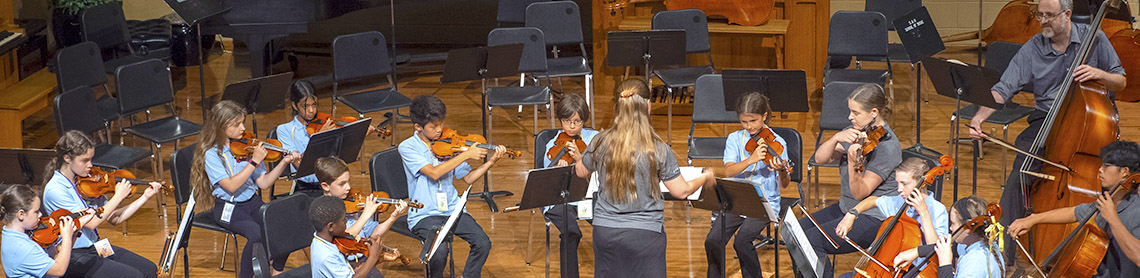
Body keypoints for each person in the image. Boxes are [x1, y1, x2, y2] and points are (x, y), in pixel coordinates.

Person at [965, 0, 1126, 263]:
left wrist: (1098, 73)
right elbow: (1004, 87)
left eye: (1050, 15)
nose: (1043, 21)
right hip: (1046, 119)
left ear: (1067, 15)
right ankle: (1002, 256)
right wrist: (979, 117)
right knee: (1021, 173)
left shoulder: (1094, 38)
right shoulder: (1033, 47)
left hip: (1093, 122)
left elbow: (1121, 79)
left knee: (1109, 178)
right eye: (1039, 15)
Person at [574, 79, 716, 277]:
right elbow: (681, 191)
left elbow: (581, 172)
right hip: (645, 236)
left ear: (618, 107)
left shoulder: (600, 141)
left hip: (605, 231)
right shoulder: (658, 148)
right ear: (648, 106)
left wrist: (580, 157)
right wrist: (705, 177)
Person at [793, 83, 902, 278]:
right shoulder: (857, 131)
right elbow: (820, 159)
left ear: (874, 113)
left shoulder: (887, 147)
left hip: (874, 217)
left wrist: (853, 163)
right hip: (846, 207)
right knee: (797, 233)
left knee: (812, 240)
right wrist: (836, 138)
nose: (850, 117)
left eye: (855, 112)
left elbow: (860, 193)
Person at [399, 95, 506, 277]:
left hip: (452, 210)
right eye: (433, 126)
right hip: (425, 214)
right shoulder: (407, 147)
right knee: (439, 253)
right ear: (418, 126)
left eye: (441, 123)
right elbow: (434, 173)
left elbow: (469, 178)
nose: (440, 130)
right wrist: (465, 155)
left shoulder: (449, 144)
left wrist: (490, 162)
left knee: (482, 243)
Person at [191, 100, 300, 278]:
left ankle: (276, 271)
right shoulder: (212, 154)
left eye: (243, 122)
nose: (242, 128)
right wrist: (254, 161)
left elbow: (263, 183)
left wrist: (283, 162)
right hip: (229, 208)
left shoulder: (247, 147)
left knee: (285, 224)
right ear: (221, 127)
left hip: (253, 202)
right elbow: (231, 186)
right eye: (236, 124)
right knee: (256, 234)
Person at [1007, 141, 1140, 277]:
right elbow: (1074, 212)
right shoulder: (1108, 200)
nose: (1100, 169)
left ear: (1124, 172)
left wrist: (1113, 219)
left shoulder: (1136, 212)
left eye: (1106, 166)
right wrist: (1033, 219)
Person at [41, 130, 162, 278]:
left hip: (96, 246)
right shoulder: (55, 190)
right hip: (75, 254)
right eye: (84, 160)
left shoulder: (87, 182)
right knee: (134, 276)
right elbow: (91, 223)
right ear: (67, 158)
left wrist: (144, 197)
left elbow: (114, 218)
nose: (90, 165)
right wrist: (118, 197)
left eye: (91, 159)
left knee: (149, 269)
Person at [705, 92, 789, 278]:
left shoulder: (778, 143)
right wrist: (752, 159)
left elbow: (785, 185)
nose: (749, 127)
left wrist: (782, 170)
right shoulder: (735, 139)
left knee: (741, 241)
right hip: (737, 201)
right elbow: (729, 171)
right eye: (744, 122)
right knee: (713, 240)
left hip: (764, 204)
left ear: (764, 116)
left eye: (753, 121)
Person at [835, 157, 949, 277]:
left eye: (904, 184)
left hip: (916, 272)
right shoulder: (900, 201)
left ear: (921, 183)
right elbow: (873, 201)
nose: (899, 189)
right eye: (898, 183)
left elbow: (937, 250)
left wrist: (924, 213)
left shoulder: (937, 210)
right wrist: (851, 214)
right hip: (890, 268)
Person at [541, 93, 597, 278]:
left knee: (609, 227)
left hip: (587, 197)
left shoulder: (593, 139)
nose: (572, 127)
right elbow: (545, 181)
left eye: (577, 122)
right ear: (560, 120)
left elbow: (602, 168)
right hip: (560, 200)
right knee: (571, 232)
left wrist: (581, 159)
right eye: (567, 121)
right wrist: (559, 172)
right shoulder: (553, 145)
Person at [893, 196, 1005, 278]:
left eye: (952, 223)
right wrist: (916, 252)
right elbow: (949, 246)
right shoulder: (983, 242)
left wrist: (945, 263)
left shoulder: (973, 264)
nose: (950, 228)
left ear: (968, 229)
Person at [315, 156, 409, 241]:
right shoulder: (324, 213)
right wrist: (366, 214)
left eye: (348, 181)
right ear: (325, 186)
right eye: (342, 184)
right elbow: (345, 238)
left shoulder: (354, 205)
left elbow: (374, 234)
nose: (348, 187)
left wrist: (393, 217)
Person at [2, 184, 80, 277]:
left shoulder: (9, 233)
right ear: (21, 214)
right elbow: (59, 270)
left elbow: (52, 257)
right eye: (36, 211)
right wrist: (66, 236)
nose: (40, 214)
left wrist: (71, 238)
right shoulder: (23, 247)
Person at [309, 195, 388, 278]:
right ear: (330, 227)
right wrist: (373, 257)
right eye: (343, 220)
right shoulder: (327, 256)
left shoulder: (322, 239)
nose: (346, 222)